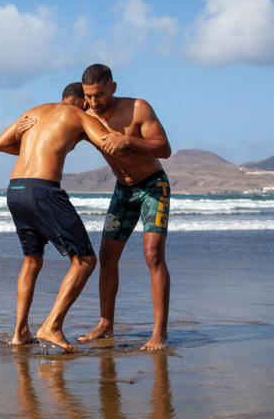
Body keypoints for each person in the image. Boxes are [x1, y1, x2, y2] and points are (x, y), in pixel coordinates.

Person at [0, 82, 109, 353]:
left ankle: (19, 332)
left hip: (16, 190)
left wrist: (30, 147)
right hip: (43, 190)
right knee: (85, 260)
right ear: (83, 101)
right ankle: (52, 325)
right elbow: (106, 141)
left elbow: (0, 144)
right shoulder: (79, 115)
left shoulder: (34, 111)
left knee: (32, 261)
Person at [76, 64, 172, 350]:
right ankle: (106, 324)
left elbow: (164, 148)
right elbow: (57, 121)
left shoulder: (138, 108)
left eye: (100, 95)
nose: (95, 102)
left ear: (113, 87)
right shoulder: (86, 114)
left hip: (153, 186)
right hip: (123, 190)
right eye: (89, 96)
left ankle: (159, 333)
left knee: (153, 255)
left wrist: (128, 140)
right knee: (107, 257)